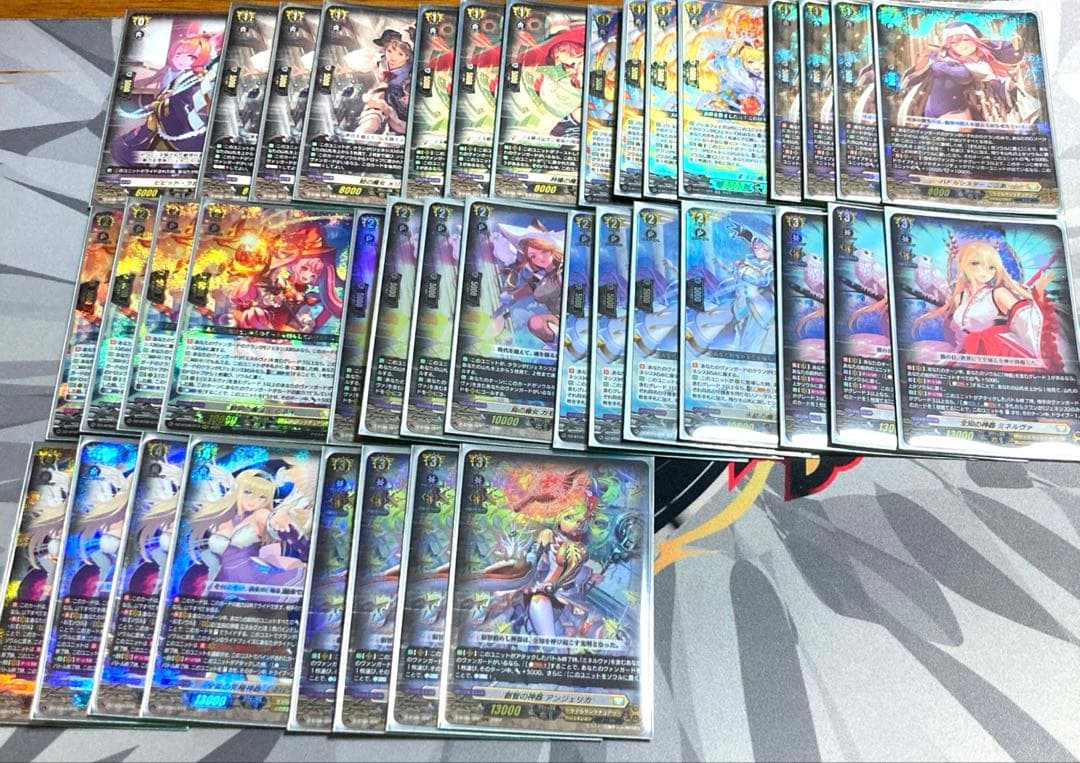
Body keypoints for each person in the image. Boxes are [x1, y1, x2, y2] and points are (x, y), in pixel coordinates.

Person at [912, 238, 1059, 371]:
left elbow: (1027, 322)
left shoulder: (999, 293)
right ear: (964, 265)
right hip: (969, 354)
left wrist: (1039, 295)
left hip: (999, 353)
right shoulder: (960, 297)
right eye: (976, 264)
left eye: (991, 267)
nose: (986, 272)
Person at [110, 33, 220, 166]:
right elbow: (167, 90)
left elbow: (188, 106)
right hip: (168, 117)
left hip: (182, 125)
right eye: (178, 54)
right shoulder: (182, 75)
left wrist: (165, 105)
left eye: (190, 56)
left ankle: (140, 152)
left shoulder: (198, 81)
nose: (180, 59)